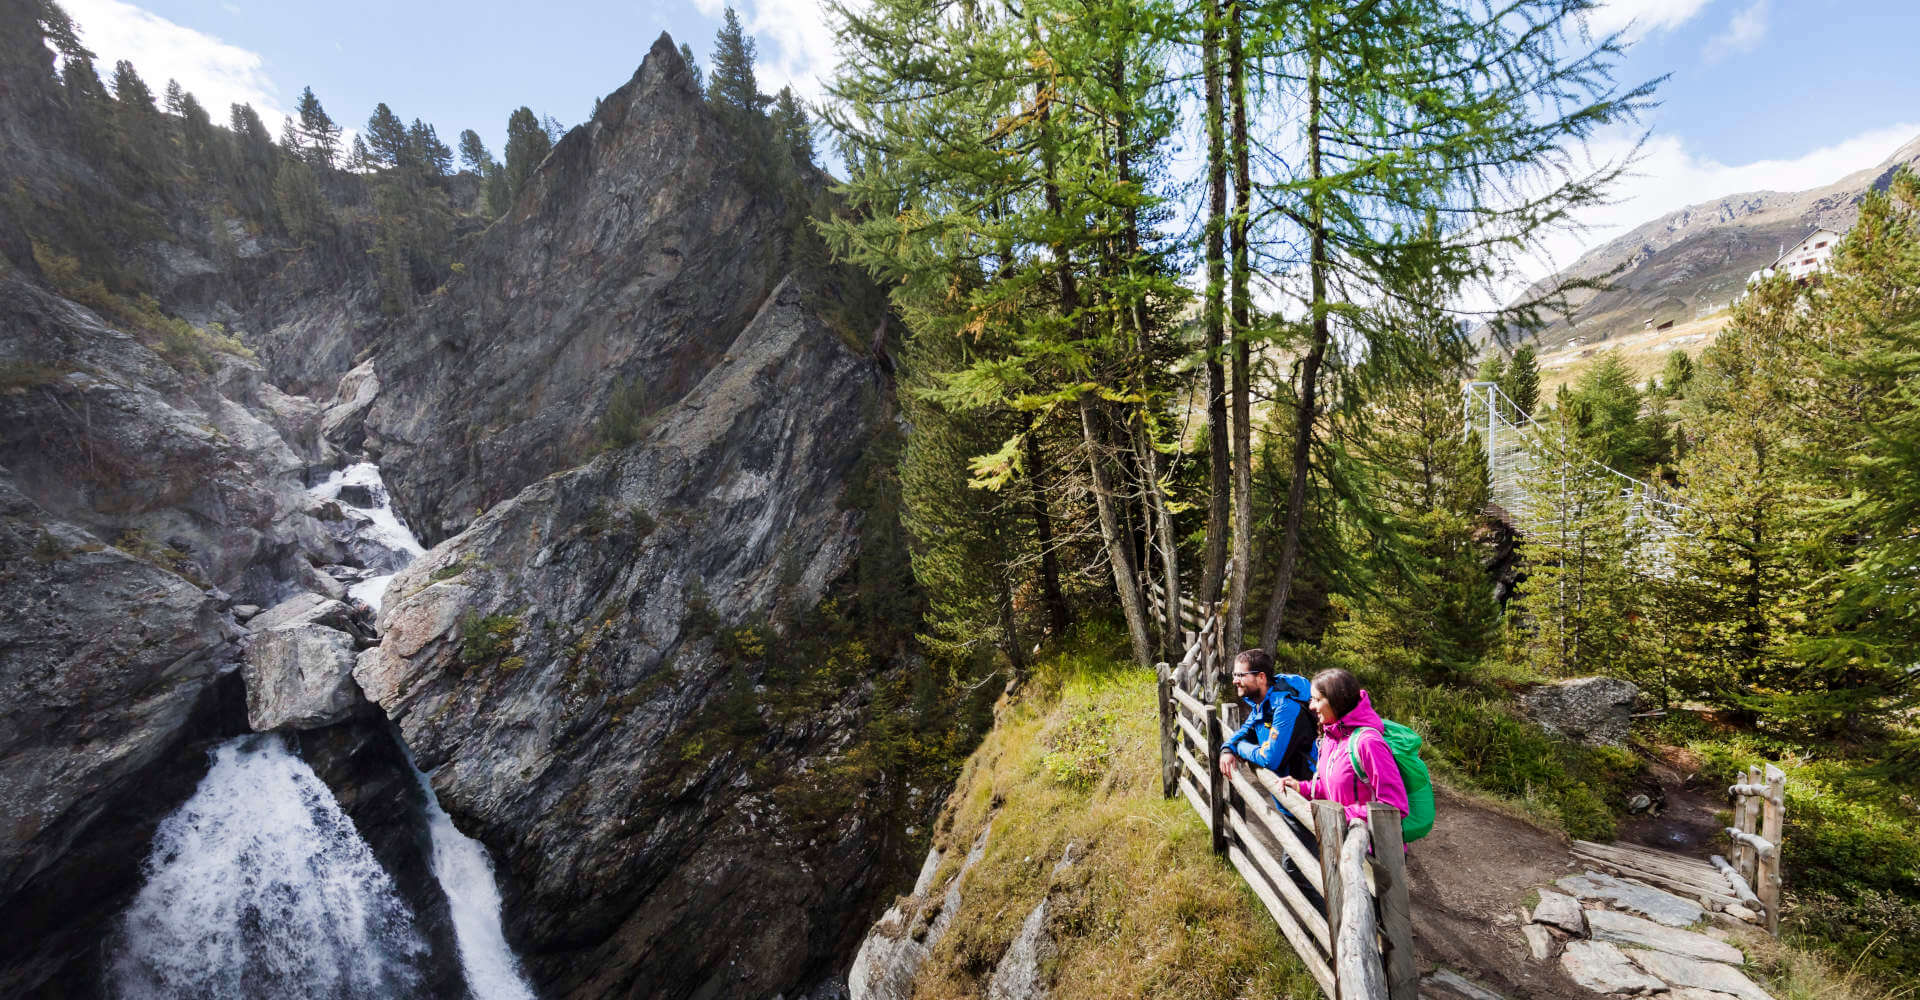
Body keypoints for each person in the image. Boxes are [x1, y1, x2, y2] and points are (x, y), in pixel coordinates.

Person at [1280, 667, 1409, 826]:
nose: (1312, 706)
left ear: (1336, 701)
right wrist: (1301, 788)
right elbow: (1333, 787)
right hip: (1339, 841)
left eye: (1317, 699)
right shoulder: (1331, 737)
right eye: (1311, 699)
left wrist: (1339, 814)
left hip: (1371, 847)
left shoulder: (1368, 743)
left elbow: (1394, 806)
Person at [1215, 649, 1316, 781]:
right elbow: (1246, 731)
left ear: (1261, 677)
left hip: (1306, 791)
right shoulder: (1263, 703)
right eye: (1235, 674)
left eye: (1240, 675)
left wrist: (1240, 748)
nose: (1235, 681)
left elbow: (1270, 759)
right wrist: (1228, 749)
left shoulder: (1285, 707)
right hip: (1286, 787)